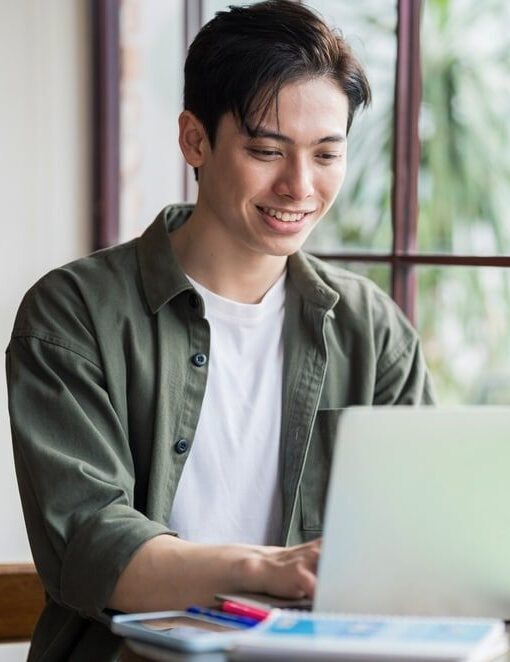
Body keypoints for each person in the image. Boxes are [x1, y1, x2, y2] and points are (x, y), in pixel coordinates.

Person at [6, 1, 434, 659]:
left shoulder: (370, 329)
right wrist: (265, 570)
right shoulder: (71, 315)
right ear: (194, 140)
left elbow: (418, 534)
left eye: (326, 153)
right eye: (266, 150)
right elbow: (91, 547)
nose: (299, 186)